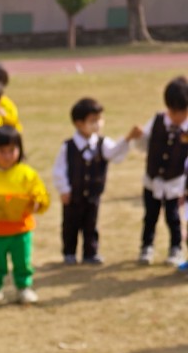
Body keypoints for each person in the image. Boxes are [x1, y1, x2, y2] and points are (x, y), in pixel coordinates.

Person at [52, 98, 140, 265]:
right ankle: (69, 253)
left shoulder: (102, 143)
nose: (98, 124)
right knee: (70, 225)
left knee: (91, 225)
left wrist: (128, 139)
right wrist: (64, 189)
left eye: (99, 119)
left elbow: (114, 153)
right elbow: (59, 170)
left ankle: (90, 253)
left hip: (93, 195)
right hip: (73, 196)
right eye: (93, 121)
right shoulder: (68, 146)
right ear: (79, 123)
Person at [0, 125, 49, 306]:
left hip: (20, 230)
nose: (7, 156)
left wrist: (38, 202)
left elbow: (40, 195)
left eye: (12, 150)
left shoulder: (27, 174)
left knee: (23, 261)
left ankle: (24, 287)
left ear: (20, 150)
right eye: (2, 151)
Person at [133, 76, 188, 266]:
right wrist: (139, 137)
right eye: (173, 112)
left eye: (182, 112)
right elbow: (142, 146)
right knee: (150, 216)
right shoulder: (156, 121)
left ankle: (176, 248)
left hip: (174, 183)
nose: (177, 117)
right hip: (152, 180)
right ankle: (146, 246)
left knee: (173, 218)